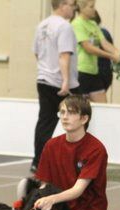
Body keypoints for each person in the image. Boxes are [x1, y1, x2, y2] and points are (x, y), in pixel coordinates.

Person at [33, 94, 108, 210]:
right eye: (62, 112)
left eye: (71, 113)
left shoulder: (95, 149)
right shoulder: (51, 146)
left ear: (84, 118)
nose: (65, 117)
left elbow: (78, 190)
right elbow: (44, 184)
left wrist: (51, 199)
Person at [31, 0, 80, 173]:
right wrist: (65, 81)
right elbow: (64, 55)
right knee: (79, 119)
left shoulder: (42, 25)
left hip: (43, 79)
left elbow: (37, 53)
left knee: (45, 122)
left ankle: (38, 162)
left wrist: (46, 69)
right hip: (60, 82)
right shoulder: (64, 26)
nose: (74, 8)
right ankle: (76, 161)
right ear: (62, 5)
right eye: (72, 4)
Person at [71, 0, 120, 103]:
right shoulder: (77, 24)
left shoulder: (93, 24)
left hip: (93, 72)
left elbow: (104, 43)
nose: (94, 9)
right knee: (80, 108)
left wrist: (118, 53)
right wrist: (111, 56)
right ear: (82, 8)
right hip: (81, 72)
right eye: (91, 7)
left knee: (104, 107)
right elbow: (88, 47)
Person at [91, 10, 114, 92]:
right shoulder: (104, 32)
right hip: (104, 73)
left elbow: (93, 49)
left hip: (99, 74)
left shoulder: (97, 34)